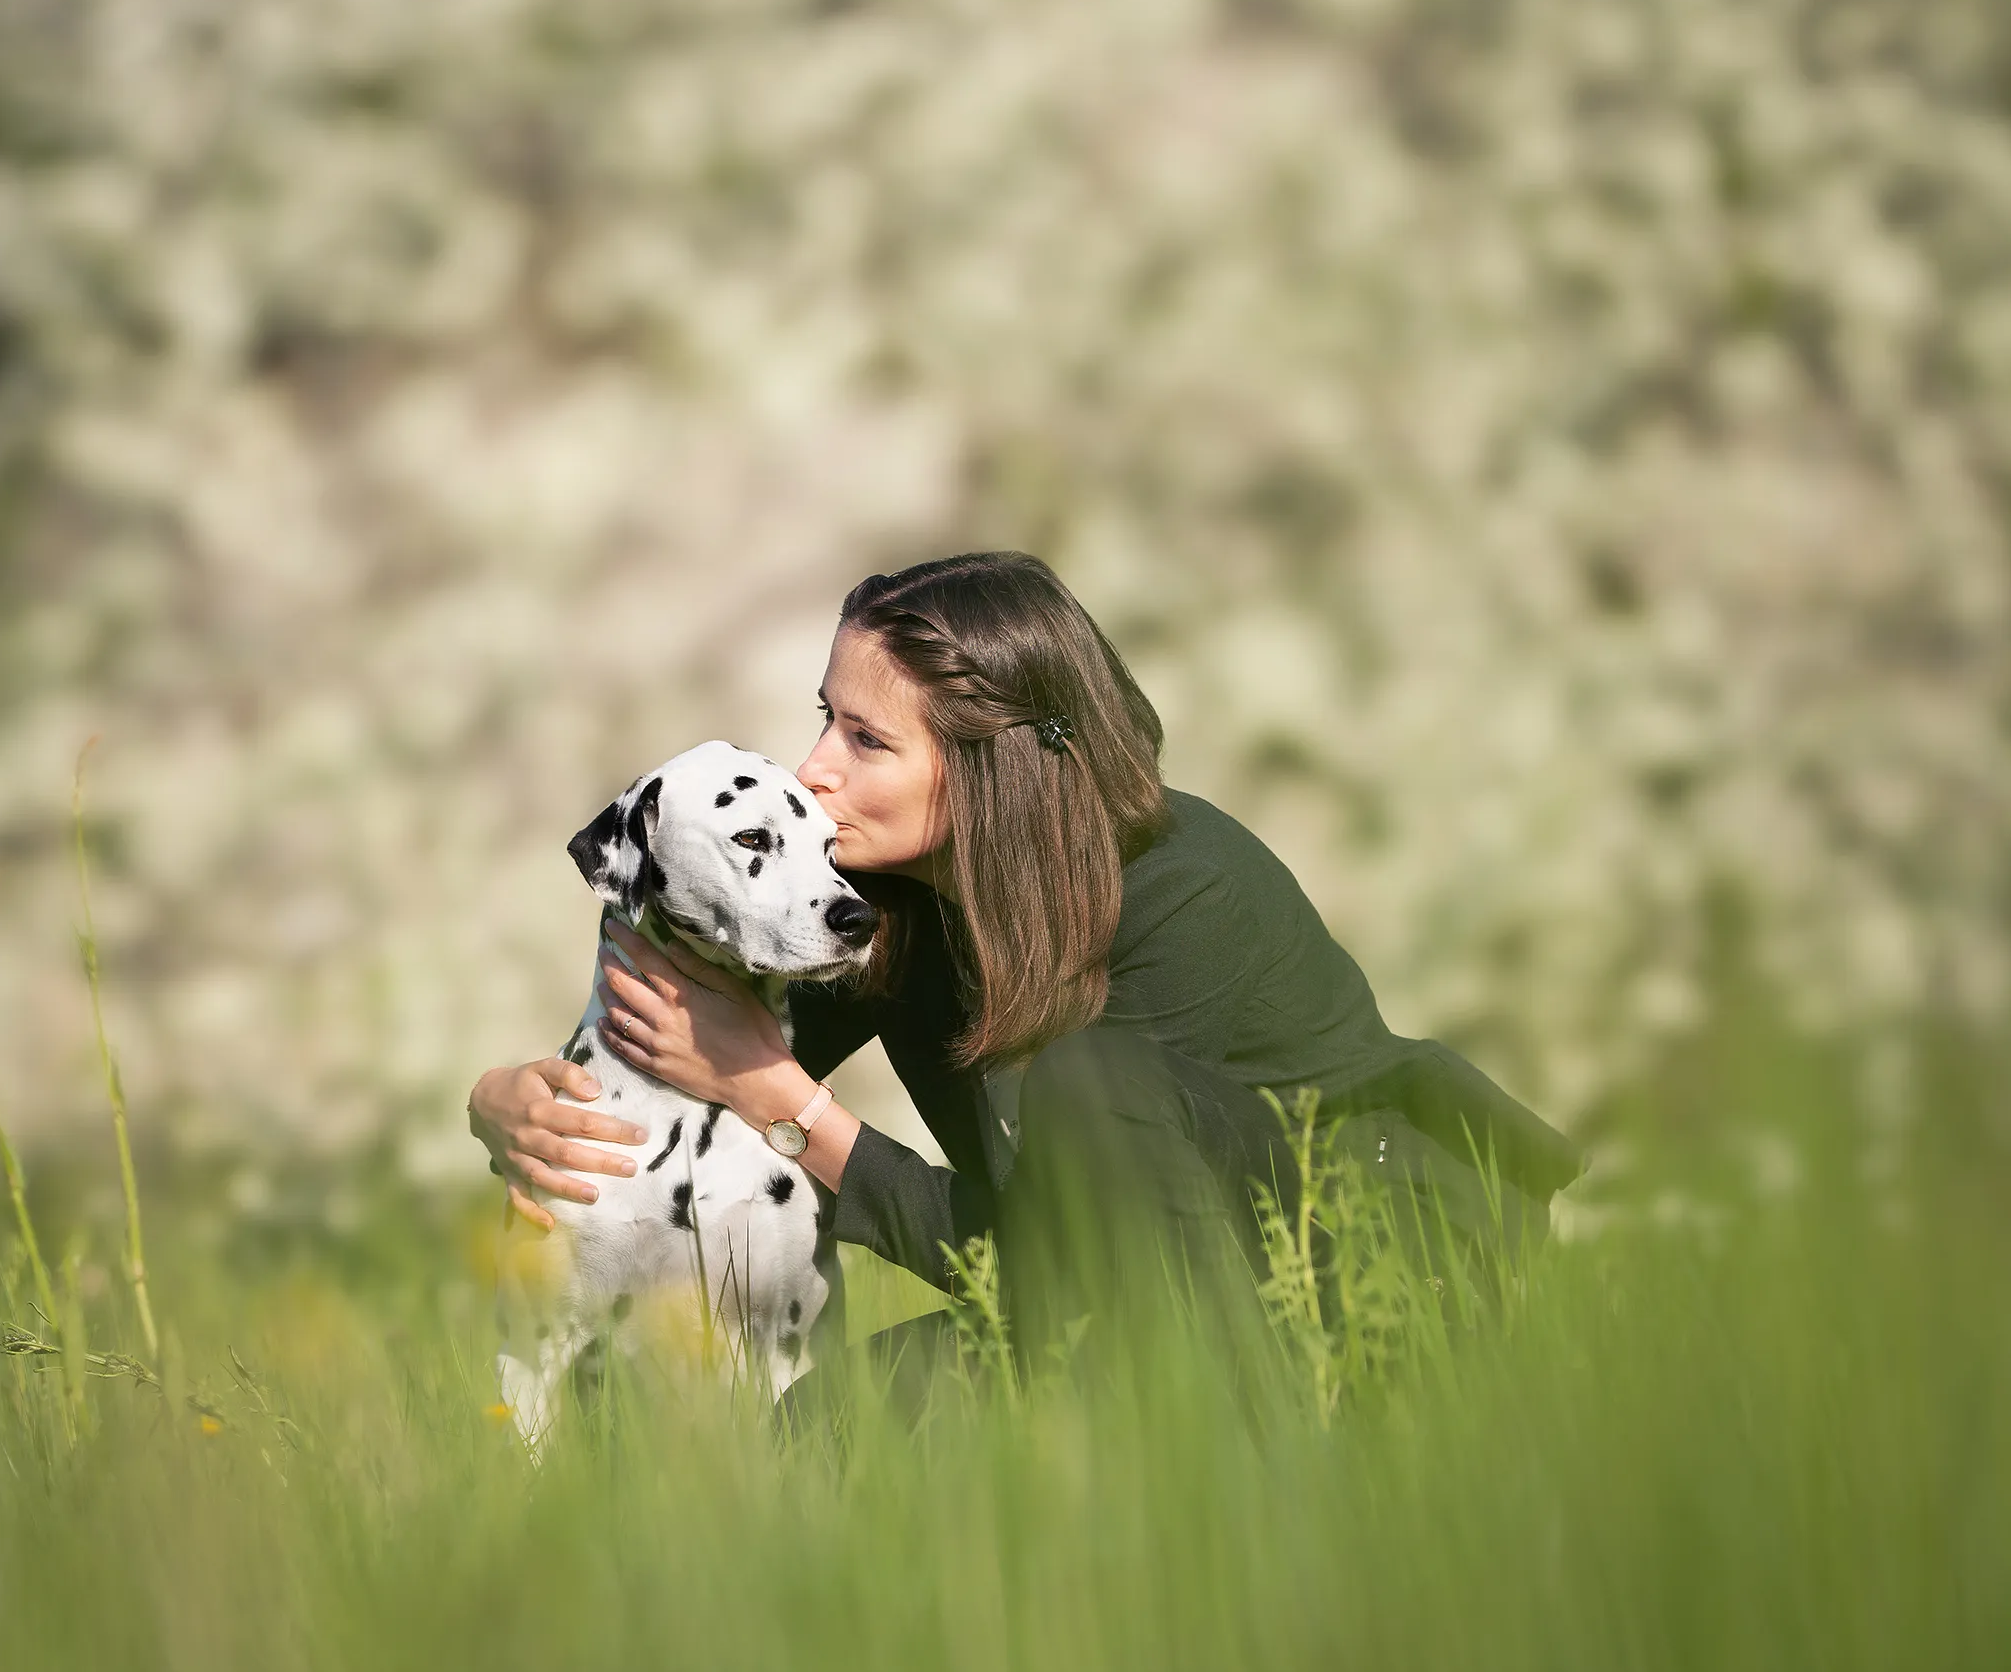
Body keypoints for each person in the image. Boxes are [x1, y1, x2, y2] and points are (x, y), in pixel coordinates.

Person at [465, 551, 1580, 1372]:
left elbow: (1071, 1260)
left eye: (866, 739)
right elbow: (690, 1052)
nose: (811, 772)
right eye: (825, 719)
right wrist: (507, 1102)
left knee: (1093, 1097)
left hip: (1374, 1289)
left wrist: (786, 1106)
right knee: (825, 1433)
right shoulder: (885, 906)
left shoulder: (1188, 895)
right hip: (1128, 1305)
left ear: (995, 766)